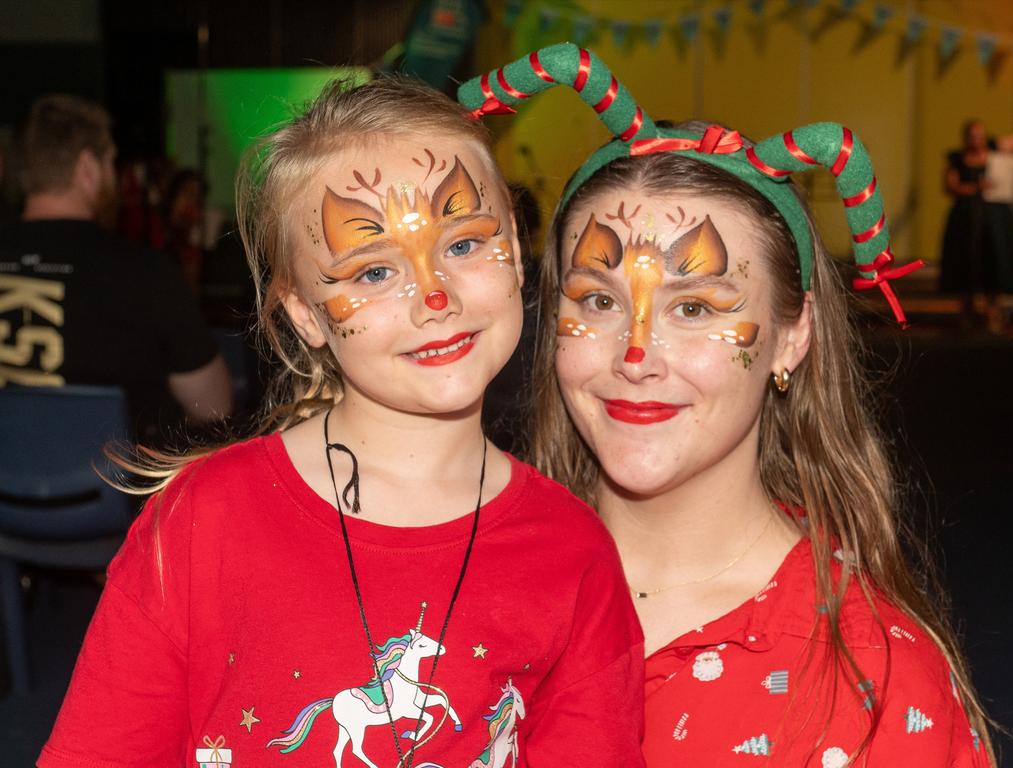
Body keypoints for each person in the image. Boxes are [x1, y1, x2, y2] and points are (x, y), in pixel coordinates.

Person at [38, 77, 643, 768]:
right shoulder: (204, 521)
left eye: (467, 243)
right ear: (304, 315)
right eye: (375, 272)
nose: (434, 297)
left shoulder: (574, 554)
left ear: (513, 239)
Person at [461, 44, 994, 766]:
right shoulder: (457, 583)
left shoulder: (872, 686)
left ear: (791, 336)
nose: (636, 356)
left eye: (695, 307)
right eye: (597, 300)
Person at [0, 94, 232, 434]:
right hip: (114, 485)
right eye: (111, 163)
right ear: (87, 170)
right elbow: (214, 407)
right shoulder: (146, 274)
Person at [940, 118, 1013, 331]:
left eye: (980, 135)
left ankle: (993, 313)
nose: (977, 140)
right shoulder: (958, 159)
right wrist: (976, 187)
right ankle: (966, 314)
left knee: (994, 261)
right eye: (973, 135)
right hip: (966, 220)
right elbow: (950, 186)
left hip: (993, 220)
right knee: (966, 262)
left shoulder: (995, 149)